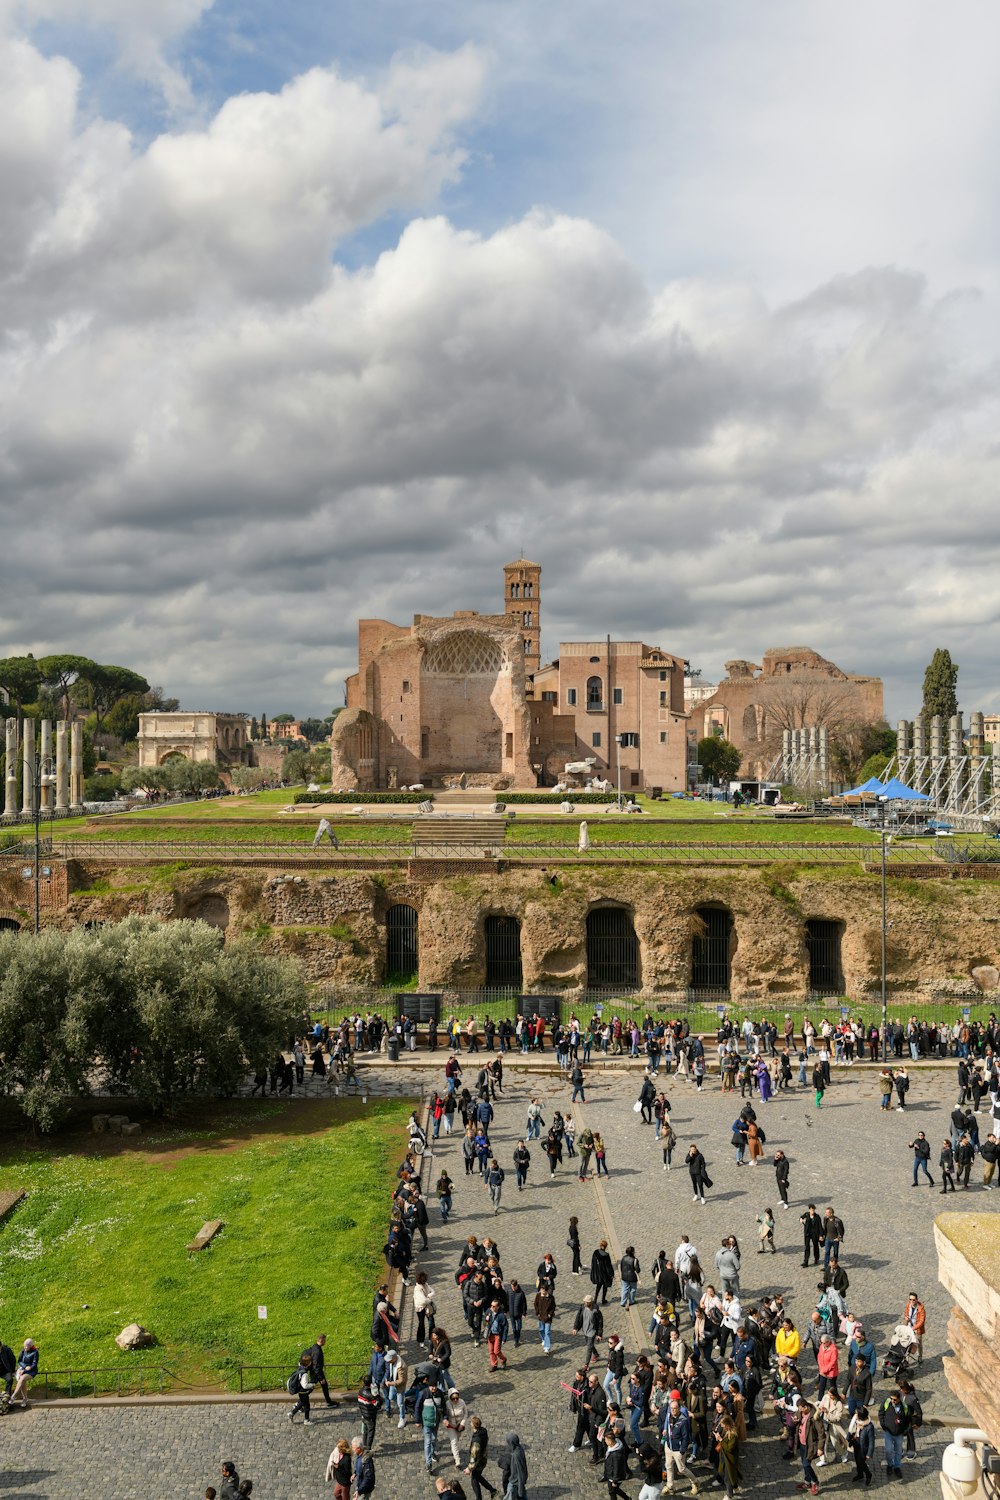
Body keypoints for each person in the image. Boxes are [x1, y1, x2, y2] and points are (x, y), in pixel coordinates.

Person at [878, 1388, 910, 1478]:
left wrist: (905, 1431)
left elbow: (908, 1420)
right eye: (891, 1399)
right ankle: (890, 1465)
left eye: (895, 1399)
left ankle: (897, 1466)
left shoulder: (904, 1407)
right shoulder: (887, 1403)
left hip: (899, 1434)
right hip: (888, 1432)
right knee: (888, 1451)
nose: (893, 1401)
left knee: (898, 1452)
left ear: (899, 1399)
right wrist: (883, 1425)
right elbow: (881, 1413)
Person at [466, 1414, 498, 1500]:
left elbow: (474, 1457)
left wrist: (469, 1468)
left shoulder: (476, 1442)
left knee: (474, 1480)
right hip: (483, 1459)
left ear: (473, 1425)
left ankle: (479, 1498)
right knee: (477, 1477)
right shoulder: (483, 1431)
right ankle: (492, 1490)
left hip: (479, 1463)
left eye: (471, 1423)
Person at [848, 1404, 875, 1487]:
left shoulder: (869, 1426)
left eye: (856, 1413)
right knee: (857, 1460)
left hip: (863, 1446)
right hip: (856, 1443)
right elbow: (851, 1430)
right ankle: (860, 1474)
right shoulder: (856, 1420)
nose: (855, 1414)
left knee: (861, 1462)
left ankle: (868, 1474)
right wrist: (849, 1439)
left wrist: (869, 1453)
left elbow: (871, 1441)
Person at [444, 1386, 470, 1466]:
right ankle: (457, 1460)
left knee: (457, 1439)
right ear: (450, 1398)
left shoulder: (462, 1402)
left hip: (459, 1426)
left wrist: (462, 1424)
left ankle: (454, 1451)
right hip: (451, 1425)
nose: (455, 1400)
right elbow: (444, 1414)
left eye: (456, 1398)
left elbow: (466, 1413)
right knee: (454, 1442)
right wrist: (445, 1420)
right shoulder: (447, 1404)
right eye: (453, 1398)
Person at [287, 1351, 314, 1424]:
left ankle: (292, 1413)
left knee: (301, 1403)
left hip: (300, 1391)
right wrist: (311, 1385)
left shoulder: (300, 1368)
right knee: (307, 1406)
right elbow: (304, 1385)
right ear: (308, 1364)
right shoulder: (304, 1373)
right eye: (310, 1362)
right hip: (303, 1391)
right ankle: (306, 1420)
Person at [500, 1432, 528, 1500]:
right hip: (517, 1482)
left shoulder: (516, 1455)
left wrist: (521, 1487)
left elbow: (520, 1471)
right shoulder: (520, 1448)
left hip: (514, 1483)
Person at [10, 1339, 37, 1408]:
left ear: (30, 1346)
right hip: (22, 1369)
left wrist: (26, 1369)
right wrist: (23, 1368)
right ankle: (25, 1399)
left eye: (26, 1347)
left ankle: (14, 1396)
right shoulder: (23, 1350)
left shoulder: (35, 1352)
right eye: (24, 1346)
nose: (25, 1348)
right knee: (22, 1381)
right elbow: (19, 1361)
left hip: (31, 1371)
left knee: (22, 1378)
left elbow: (34, 1364)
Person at [901, 1294, 926, 1364]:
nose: (911, 1301)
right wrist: (906, 1317)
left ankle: (920, 1357)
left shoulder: (921, 1309)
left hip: (917, 1329)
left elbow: (921, 1321)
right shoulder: (908, 1305)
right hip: (909, 1327)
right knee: (906, 1343)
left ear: (917, 1300)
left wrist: (914, 1327)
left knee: (918, 1344)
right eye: (910, 1299)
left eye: (913, 1300)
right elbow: (906, 1313)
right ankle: (906, 1359)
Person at [534, 1279, 555, 1354]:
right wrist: (537, 1313)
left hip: (548, 1318)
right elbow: (535, 1304)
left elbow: (553, 1307)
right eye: (541, 1290)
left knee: (547, 1332)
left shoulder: (551, 1298)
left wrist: (550, 1314)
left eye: (543, 1291)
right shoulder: (538, 1295)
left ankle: (547, 1347)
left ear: (546, 1291)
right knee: (541, 1330)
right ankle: (543, 1339)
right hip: (541, 1317)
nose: (542, 1292)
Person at [591, 1240, 615, 1305]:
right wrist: (611, 1274)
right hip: (604, 1275)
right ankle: (603, 1299)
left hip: (598, 1273)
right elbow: (608, 1266)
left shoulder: (595, 1252)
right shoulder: (606, 1256)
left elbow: (593, 1262)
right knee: (605, 1287)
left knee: (598, 1286)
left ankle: (595, 1299)